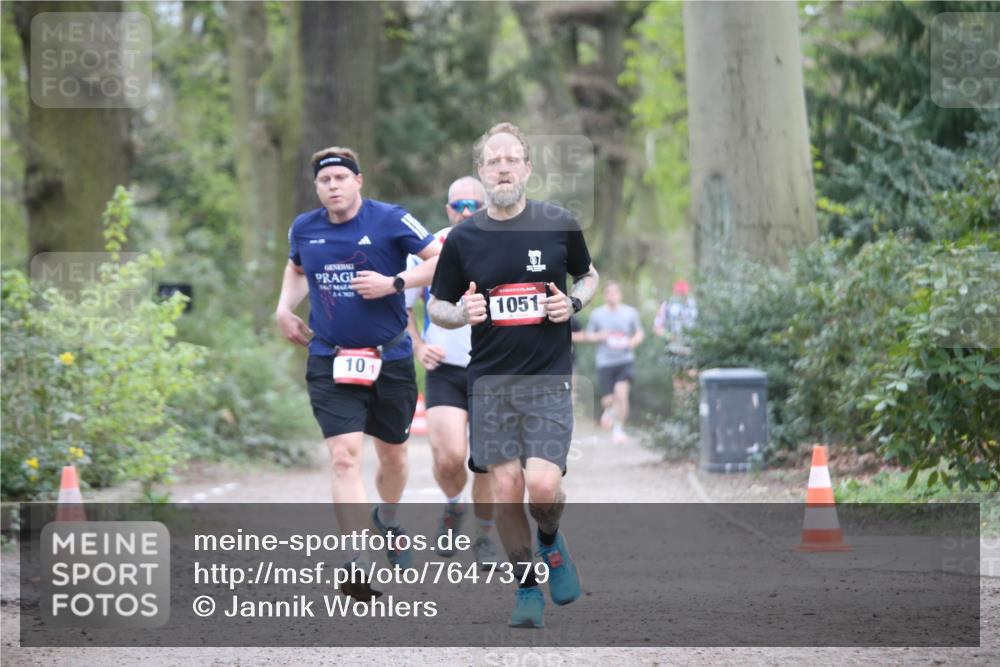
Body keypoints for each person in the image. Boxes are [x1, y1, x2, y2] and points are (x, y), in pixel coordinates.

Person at [427, 123, 600, 629]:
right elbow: (438, 304)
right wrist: (463, 313)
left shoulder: (559, 223)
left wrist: (573, 302)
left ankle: (550, 540)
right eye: (493, 160)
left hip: (547, 379)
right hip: (491, 384)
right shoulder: (464, 238)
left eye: (512, 158)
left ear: (527, 168)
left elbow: (589, 275)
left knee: (542, 487)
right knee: (506, 489)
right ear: (482, 173)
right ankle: (527, 590)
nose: (502, 166)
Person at [275, 146, 442, 599]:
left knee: (394, 458)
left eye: (340, 179)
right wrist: (283, 308)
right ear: (317, 188)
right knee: (345, 456)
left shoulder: (389, 219)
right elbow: (295, 271)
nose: (333, 187)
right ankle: (355, 558)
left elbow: (440, 257)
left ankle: (387, 519)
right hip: (329, 357)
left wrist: (395, 283)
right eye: (325, 181)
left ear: (358, 181)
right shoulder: (304, 228)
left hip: (389, 358)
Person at [404, 176, 499, 571]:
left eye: (473, 205)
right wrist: (419, 346)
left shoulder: (502, 246)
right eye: (458, 206)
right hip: (444, 369)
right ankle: (453, 505)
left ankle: (484, 536)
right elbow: (403, 305)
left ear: (485, 206)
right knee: (450, 459)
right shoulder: (428, 250)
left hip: (490, 369)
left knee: (486, 460)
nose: (465, 213)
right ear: (447, 210)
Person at [582, 281, 644, 444]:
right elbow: (588, 335)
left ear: (620, 294)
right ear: (605, 295)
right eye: (609, 293)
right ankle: (608, 410)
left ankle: (619, 429)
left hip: (625, 360)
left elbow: (639, 333)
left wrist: (633, 342)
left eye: (615, 292)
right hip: (605, 362)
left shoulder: (630, 312)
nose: (612, 295)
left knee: (621, 394)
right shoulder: (597, 314)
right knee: (608, 400)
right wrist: (599, 336)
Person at [653, 279, 697, 354]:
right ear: (674, 292)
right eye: (679, 292)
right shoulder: (667, 305)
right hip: (674, 349)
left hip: (693, 348)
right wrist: (669, 336)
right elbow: (657, 328)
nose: (682, 294)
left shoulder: (694, 304)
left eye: (684, 291)